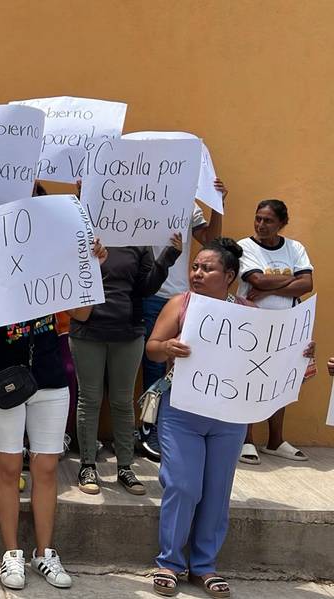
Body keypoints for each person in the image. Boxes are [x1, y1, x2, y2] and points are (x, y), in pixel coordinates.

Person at [145, 238, 314, 598]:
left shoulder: (248, 312)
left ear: (230, 276)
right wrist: (167, 347)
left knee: (217, 491)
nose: (197, 273)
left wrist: (299, 357)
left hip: (229, 417)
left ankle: (204, 566)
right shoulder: (180, 304)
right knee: (182, 485)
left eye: (207, 269)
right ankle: (170, 563)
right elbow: (153, 348)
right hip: (183, 411)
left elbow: (269, 357)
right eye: (195, 267)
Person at [0, 237, 108, 591]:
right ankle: (11, 553)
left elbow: (84, 313)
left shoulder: (52, 267)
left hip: (50, 381)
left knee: (47, 467)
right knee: (7, 468)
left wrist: (90, 266)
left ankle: (45, 552)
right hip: (0, 383)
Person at [71, 237, 182, 495]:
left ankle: (125, 467)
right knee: (89, 399)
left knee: (122, 401)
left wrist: (169, 256)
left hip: (128, 332)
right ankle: (87, 465)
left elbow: (146, 288)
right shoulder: (81, 235)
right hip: (87, 332)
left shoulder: (139, 240)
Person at [139, 180, 228, 460]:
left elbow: (210, 241)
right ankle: (149, 429)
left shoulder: (189, 204)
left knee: (183, 364)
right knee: (152, 365)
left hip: (182, 295)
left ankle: (170, 428)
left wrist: (217, 204)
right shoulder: (135, 199)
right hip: (148, 293)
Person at [236, 199, 314, 464]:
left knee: (281, 382)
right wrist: (293, 278)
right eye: (258, 218)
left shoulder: (295, 248)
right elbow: (256, 280)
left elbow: (307, 284)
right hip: (252, 325)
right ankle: (246, 439)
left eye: (268, 220)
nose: (261, 225)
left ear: (282, 223)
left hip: (288, 326)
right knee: (249, 381)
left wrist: (273, 288)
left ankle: (275, 440)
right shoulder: (245, 247)